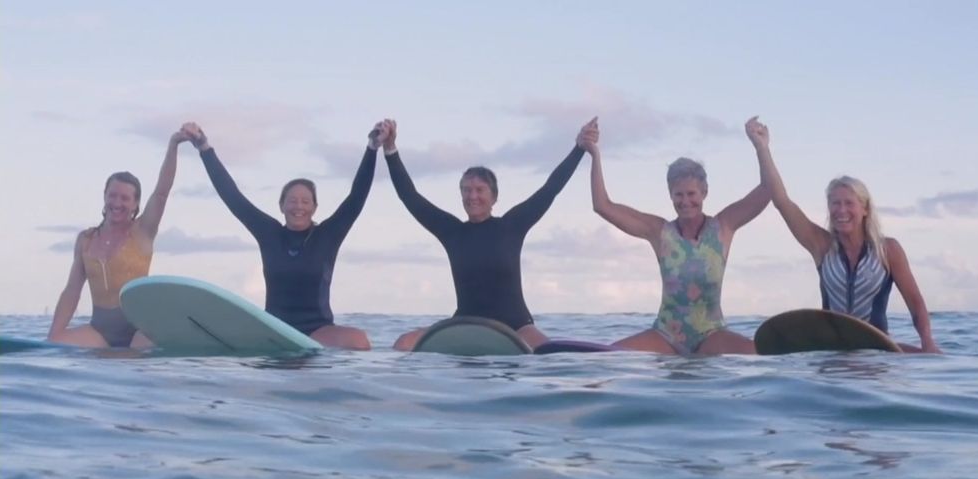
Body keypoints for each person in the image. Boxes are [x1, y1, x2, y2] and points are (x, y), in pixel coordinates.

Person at [377, 118, 595, 351]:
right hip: (466, 323)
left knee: (548, 352)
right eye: (466, 190)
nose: (472, 196)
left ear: (494, 196)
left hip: (516, 326)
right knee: (404, 344)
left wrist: (579, 148)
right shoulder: (451, 231)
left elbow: (550, 189)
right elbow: (410, 197)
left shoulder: (512, 226)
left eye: (479, 190)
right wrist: (390, 149)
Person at [584, 117, 775, 355]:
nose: (685, 202)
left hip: (712, 334)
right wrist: (594, 154)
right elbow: (602, 205)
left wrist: (761, 147)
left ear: (704, 192)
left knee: (761, 354)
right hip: (665, 336)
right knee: (603, 358)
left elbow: (768, 190)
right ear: (670, 195)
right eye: (678, 195)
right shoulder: (660, 231)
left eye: (692, 194)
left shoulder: (723, 226)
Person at [183, 121, 378, 350]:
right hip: (275, 330)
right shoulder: (270, 233)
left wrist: (372, 148)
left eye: (306, 201)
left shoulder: (327, 236)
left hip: (317, 332)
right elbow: (232, 196)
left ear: (314, 207)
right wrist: (204, 148)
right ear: (282, 205)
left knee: (359, 340)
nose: (299, 206)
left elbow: (356, 198)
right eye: (292, 201)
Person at [767, 166, 940, 352]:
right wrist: (762, 147)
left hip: (876, 352)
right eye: (835, 203)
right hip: (832, 351)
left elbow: (915, 303)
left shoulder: (888, 250)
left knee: (928, 355)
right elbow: (781, 201)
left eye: (849, 203)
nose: (841, 210)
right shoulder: (822, 246)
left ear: (865, 209)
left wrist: (927, 341)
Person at [48, 128, 190, 348]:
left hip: (140, 330)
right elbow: (72, 290)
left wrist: (173, 145)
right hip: (99, 331)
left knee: (129, 363)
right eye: (112, 195)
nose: (117, 203)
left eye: (125, 198)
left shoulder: (142, 231)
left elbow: (161, 192)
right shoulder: (85, 240)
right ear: (104, 196)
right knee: (58, 345)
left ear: (135, 205)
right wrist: (53, 337)